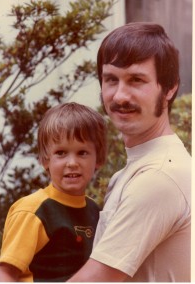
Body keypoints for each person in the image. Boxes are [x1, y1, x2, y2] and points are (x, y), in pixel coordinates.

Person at [68, 22, 191, 282]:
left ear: (169, 88)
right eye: (111, 79)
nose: (120, 96)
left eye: (136, 80)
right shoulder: (139, 169)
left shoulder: (159, 176)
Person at [0, 102, 107, 282]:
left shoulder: (94, 210)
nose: (72, 162)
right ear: (45, 160)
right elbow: (6, 273)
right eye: (61, 153)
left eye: (82, 152)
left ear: (98, 159)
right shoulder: (33, 211)